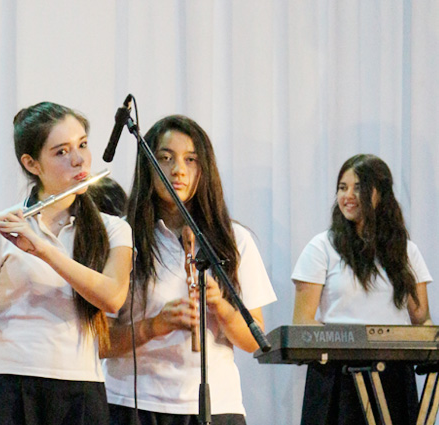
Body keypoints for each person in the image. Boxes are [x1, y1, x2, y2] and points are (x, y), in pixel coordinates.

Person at [0, 102, 133, 425]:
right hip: (5, 387)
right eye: (61, 152)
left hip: (79, 393)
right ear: (31, 163)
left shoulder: (114, 228)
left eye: (82, 145)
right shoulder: (0, 226)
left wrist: (43, 249)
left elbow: (113, 296)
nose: (78, 160)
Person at [101, 115, 277, 425]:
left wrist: (221, 307)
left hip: (216, 404)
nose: (178, 170)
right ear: (148, 166)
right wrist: (153, 326)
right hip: (133, 403)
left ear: (205, 169)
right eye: (165, 158)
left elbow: (254, 340)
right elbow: (101, 342)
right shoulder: (122, 237)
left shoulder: (235, 240)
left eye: (191, 160)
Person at [292, 153, 433, 425]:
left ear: (380, 194)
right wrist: (345, 344)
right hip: (338, 377)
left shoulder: (406, 251)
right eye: (343, 188)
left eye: (358, 187)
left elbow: (421, 319)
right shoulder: (321, 247)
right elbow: (302, 323)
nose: (348, 195)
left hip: (394, 374)